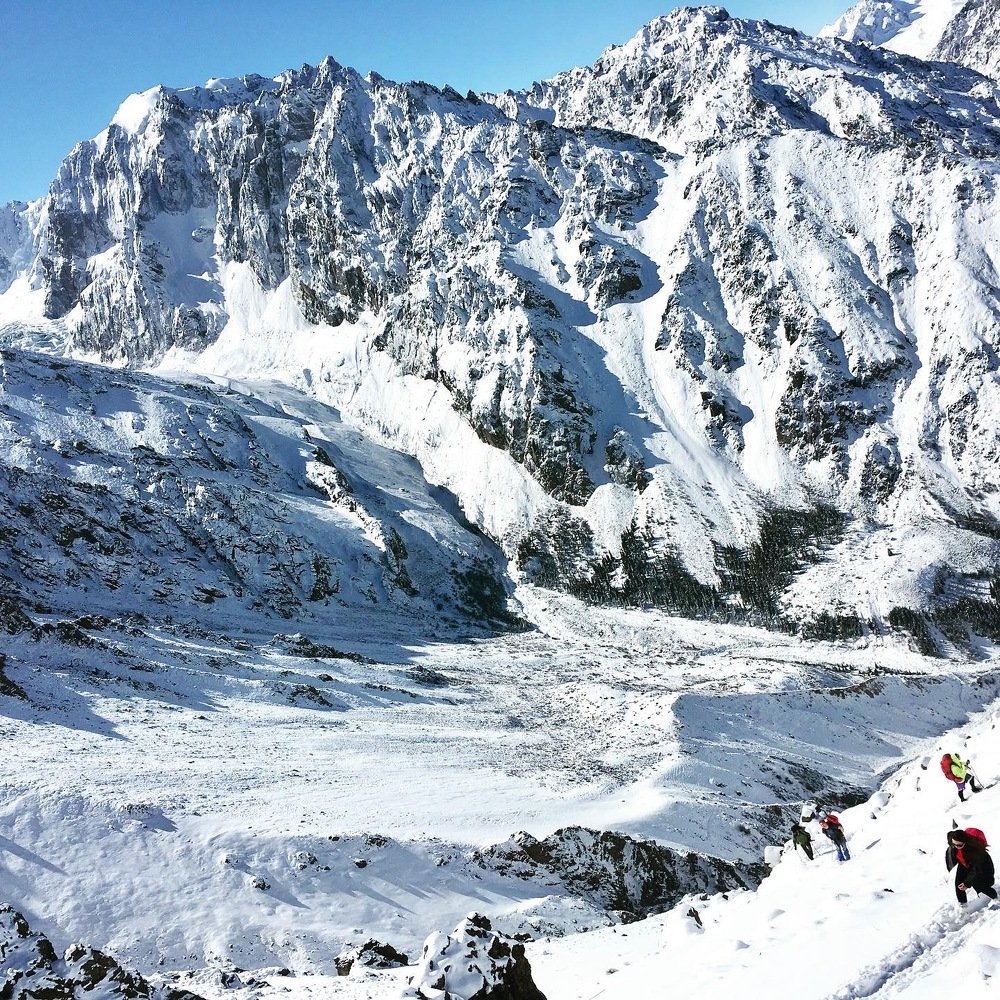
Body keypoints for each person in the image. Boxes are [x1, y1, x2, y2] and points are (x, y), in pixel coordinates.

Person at [946, 828, 997, 904]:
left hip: (982, 868)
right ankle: (963, 905)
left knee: (980, 886)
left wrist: (967, 883)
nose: (956, 846)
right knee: (958, 884)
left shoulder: (975, 851)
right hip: (964, 864)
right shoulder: (954, 842)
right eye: (954, 844)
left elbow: (976, 869)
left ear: (965, 842)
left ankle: (996, 897)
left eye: (959, 845)